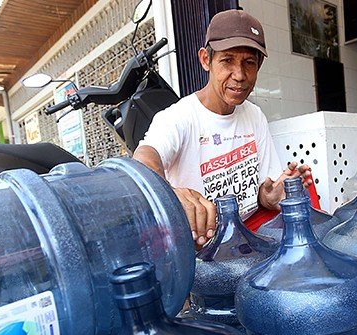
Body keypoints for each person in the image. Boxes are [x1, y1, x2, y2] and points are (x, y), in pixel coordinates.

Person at [132, 9, 311, 249]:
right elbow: (144, 158)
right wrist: (171, 194)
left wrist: (268, 197)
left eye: (249, 63)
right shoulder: (179, 117)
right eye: (227, 60)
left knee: (305, 198)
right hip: (202, 244)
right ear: (206, 59)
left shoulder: (254, 115)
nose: (239, 75)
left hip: (246, 231)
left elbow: (260, 191)